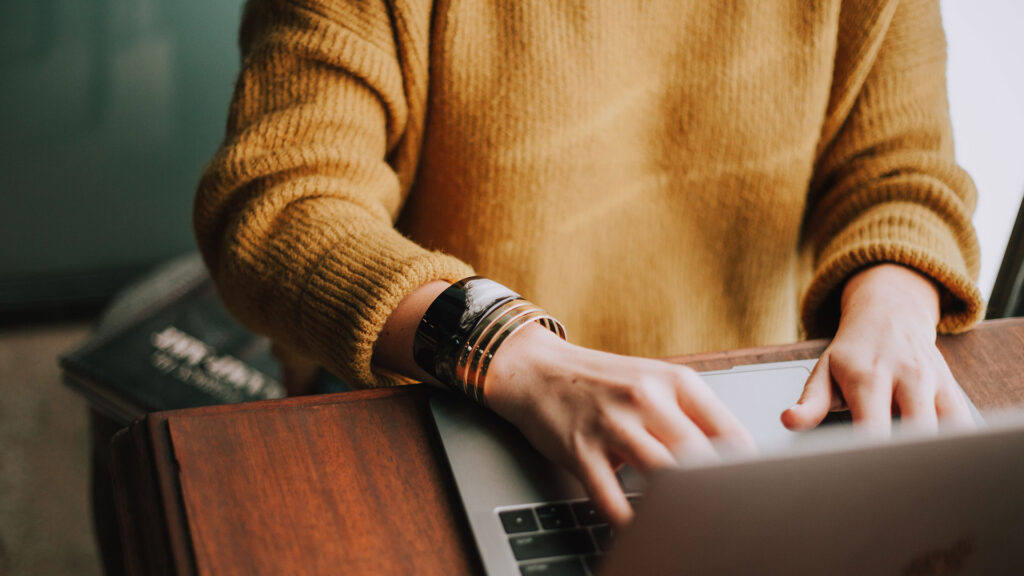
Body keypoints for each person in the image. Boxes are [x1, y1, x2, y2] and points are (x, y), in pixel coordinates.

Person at [194, 0, 983, 526]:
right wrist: (514, 352)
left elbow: (901, 173)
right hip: (440, 402)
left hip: (733, 423)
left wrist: (896, 305)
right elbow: (279, 203)